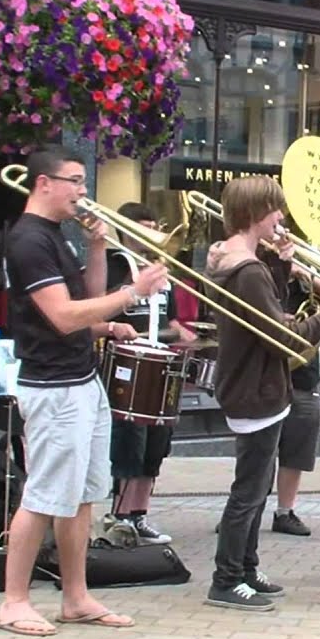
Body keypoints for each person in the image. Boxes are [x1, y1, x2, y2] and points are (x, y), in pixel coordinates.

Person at [0, 145, 167, 636]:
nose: (83, 193)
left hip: (81, 379)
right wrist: (134, 292)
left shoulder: (57, 236)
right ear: (43, 183)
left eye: (84, 183)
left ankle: (76, 597)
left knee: (84, 495)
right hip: (52, 386)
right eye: (75, 182)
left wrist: (95, 249)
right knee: (44, 495)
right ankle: (13, 602)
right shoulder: (28, 241)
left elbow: (87, 306)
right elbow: (62, 316)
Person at [203, 175, 320, 611]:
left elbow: (262, 314)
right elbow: (282, 338)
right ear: (255, 214)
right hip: (257, 387)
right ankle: (226, 578)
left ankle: (247, 569)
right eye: (276, 210)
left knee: (257, 485)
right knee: (249, 491)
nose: (282, 218)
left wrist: (284, 265)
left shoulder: (239, 260)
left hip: (252, 383)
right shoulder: (247, 267)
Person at [102, 202, 197, 545]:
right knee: (129, 441)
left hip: (159, 364)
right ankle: (119, 514)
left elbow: (171, 322)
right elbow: (96, 312)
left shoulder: (162, 273)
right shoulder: (114, 267)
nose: (152, 235)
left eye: (154, 227)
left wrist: (187, 336)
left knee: (156, 443)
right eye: (143, 228)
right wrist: (115, 324)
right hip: (127, 364)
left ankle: (139, 515)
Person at [270, 260, 320, 537]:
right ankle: (247, 508)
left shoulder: (312, 286)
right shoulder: (265, 276)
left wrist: (307, 273)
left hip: (306, 378)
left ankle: (285, 512)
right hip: (269, 375)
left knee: (298, 450)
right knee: (259, 449)